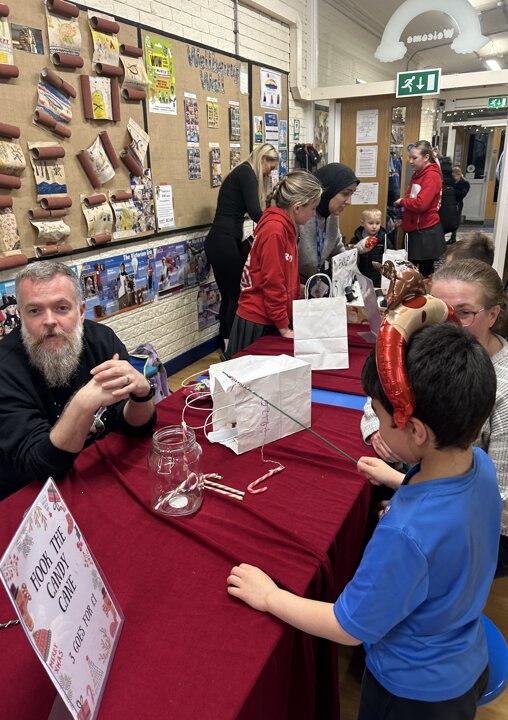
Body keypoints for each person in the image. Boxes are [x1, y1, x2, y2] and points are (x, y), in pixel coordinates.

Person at [228, 323, 501, 719]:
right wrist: (396, 478)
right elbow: (450, 509)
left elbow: (348, 628)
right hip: (465, 660)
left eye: (379, 414)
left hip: (412, 696)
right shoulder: (481, 466)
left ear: (416, 430)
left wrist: (270, 597)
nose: (376, 418)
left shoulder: (405, 534)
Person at [361, 259, 508, 577]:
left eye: (463, 312)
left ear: (493, 315)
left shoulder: (502, 391)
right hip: (426, 486)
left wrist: (409, 496)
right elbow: (380, 396)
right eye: (438, 307)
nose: (447, 321)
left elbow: (498, 507)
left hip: (474, 529)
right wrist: (377, 430)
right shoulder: (433, 352)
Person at [0, 261, 157, 506]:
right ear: (21, 316)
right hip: (24, 496)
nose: (49, 321)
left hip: (92, 472)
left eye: (61, 308)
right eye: (35, 311)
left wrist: (141, 395)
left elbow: (133, 426)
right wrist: (82, 405)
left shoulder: (102, 340)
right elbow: (40, 466)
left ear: (80, 311)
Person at [225, 170, 322, 357]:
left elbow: (288, 277)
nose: (313, 214)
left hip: (272, 317)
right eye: (313, 208)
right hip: (258, 320)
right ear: (297, 207)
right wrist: (283, 326)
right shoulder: (275, 230)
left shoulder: (287, 228)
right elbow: (273, 283)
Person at [204, 143, 279, 350]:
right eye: (270, 167)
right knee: (237, 297)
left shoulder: (241, 173)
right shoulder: (247, 173)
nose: (269, 173)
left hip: (221, 240)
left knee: (229, 297)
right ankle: (232, 348)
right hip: (223, 240)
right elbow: (255, 212)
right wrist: (276, 227)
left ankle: (226, 346)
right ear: (263, 159)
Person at [298, 162, 359, 283]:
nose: (349, 201)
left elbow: (337, 248)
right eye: (345, 193)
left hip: (314, 281)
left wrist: (355, 279)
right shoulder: (301, 215)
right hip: (294, 286)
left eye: (352, 194)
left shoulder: (331, 214)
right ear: (327, 190)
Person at [394, 140, 445, 278]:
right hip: (417, 229)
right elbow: (413, 196)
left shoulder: (431, 176)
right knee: (412, 270)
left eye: (414, 158)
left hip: (425, 231)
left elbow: (421, 204)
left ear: (426, 157)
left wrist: (402, 202)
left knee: (425, 273)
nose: (410, 161)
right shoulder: (419, 174)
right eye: (410, 157)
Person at [349, 208, 393, 286]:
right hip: (361, 275)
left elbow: (391, 254)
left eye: (377, 223)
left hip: (379, 276)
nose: (374, 226)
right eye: (371, 223)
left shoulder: (384, 239)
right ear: (362, 223)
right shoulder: (356, 239)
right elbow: (349, 255)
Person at [438, 156, 460, 242]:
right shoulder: (452, 178)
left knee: (438, 233)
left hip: (440, 210)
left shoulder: (438, 178)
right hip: (450, 211)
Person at [451, 165, 470, 243]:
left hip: (458, 203)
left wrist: (452, 190)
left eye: (454, 176)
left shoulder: (464, 183)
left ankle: (453, 237)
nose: (453, 178)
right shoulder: (453, 182)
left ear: (458, 174)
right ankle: (452, 237)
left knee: (456, 220)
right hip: (452, 202)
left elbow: (462, 194)